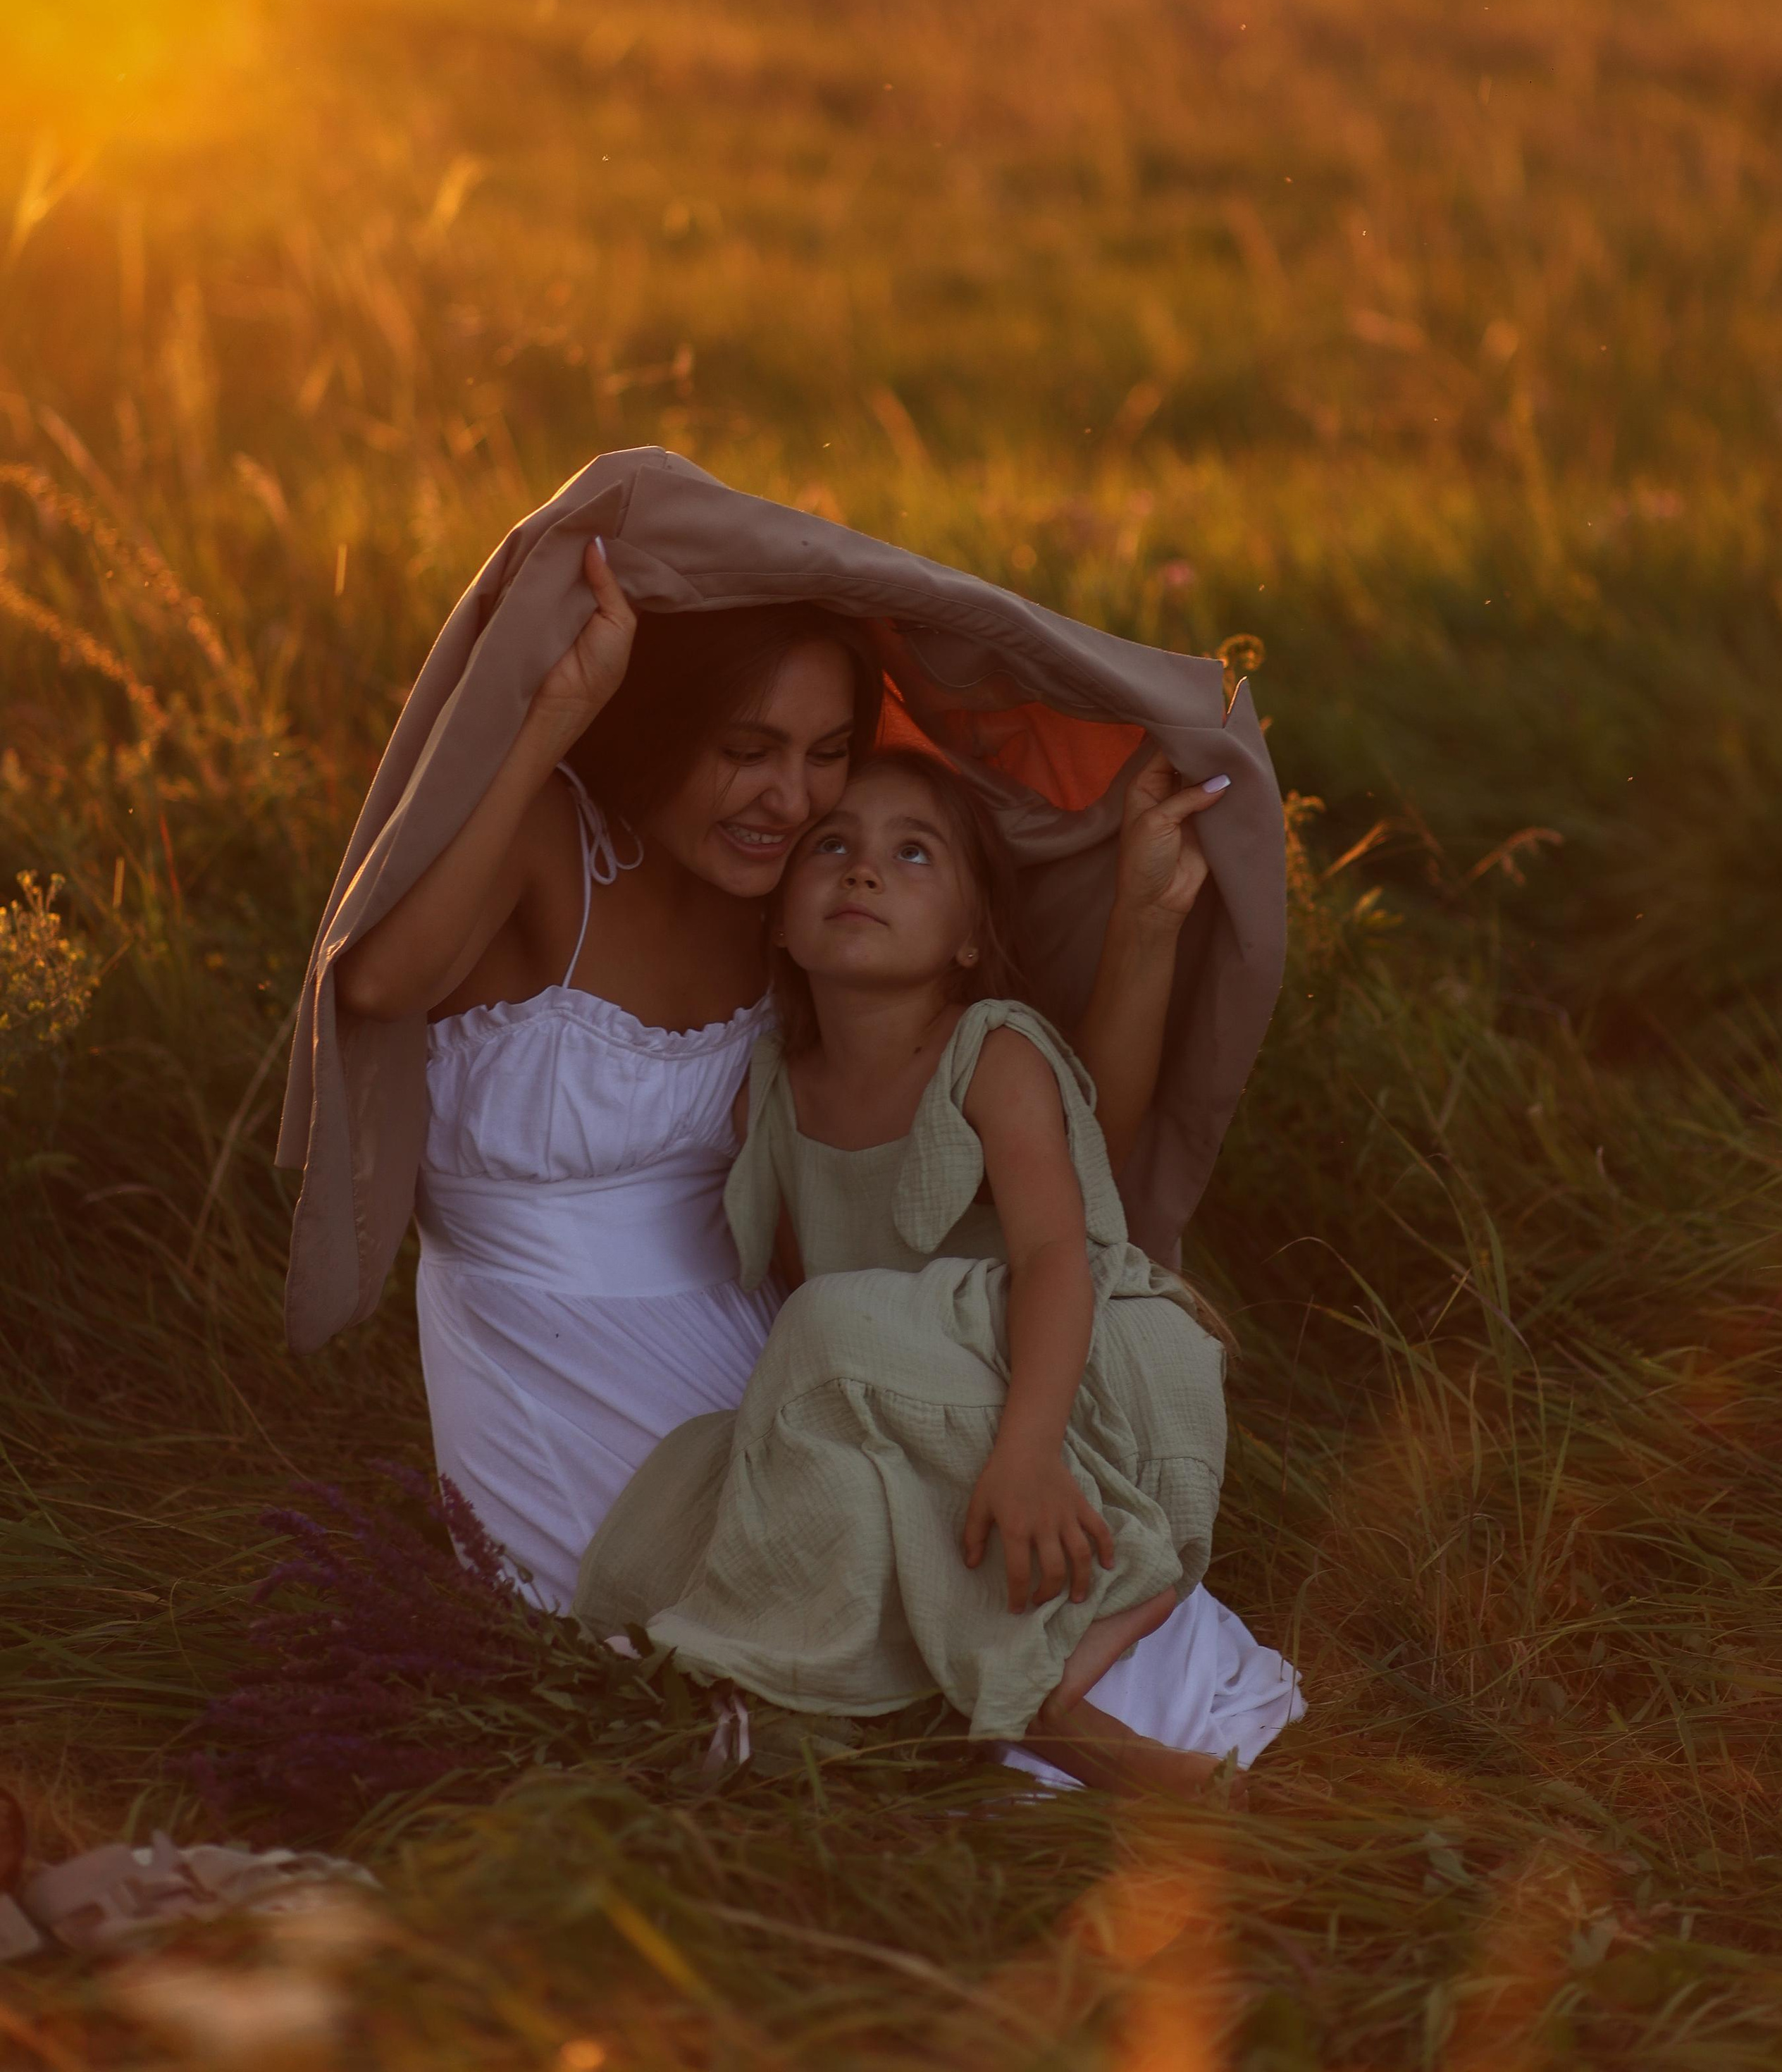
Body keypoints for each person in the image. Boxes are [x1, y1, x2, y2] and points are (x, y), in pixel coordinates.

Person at [335, 536, 1233, 1629]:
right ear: (662, 727)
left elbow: (1064, 1146)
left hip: (777, 1346)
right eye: (747, 748)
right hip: (535, 1345)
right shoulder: (549, 841)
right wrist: (555, 713)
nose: (790, 798)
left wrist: (1142, 926)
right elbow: (377, 981)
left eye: (826, 752)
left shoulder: (796, 903)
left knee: (921, 1596)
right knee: (694, 1628)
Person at [575, 747, 1256, 1794]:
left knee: (827, 1332)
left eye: (913, 853)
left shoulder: (992, 1051)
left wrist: (1029, 1451)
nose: (863, 871)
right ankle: (851, 1713)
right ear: (780, 921)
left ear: (972, 938)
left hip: (1071, 1374)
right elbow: (812, 1300)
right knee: (700, 1487)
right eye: (831, 848)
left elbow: (1055, 1257)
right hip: (919, 1402)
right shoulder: (775, 1094)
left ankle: (1080, 1636)